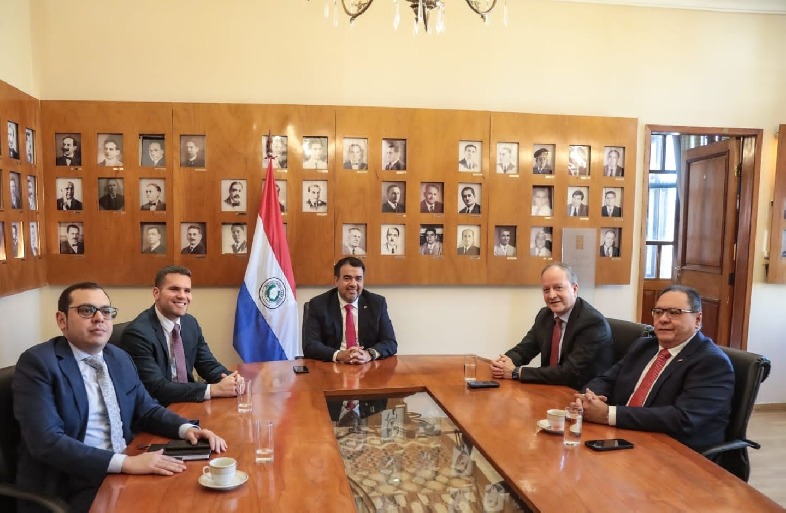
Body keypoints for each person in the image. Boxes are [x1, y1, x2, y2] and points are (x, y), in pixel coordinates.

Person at [13, 282, 227, 513]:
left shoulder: (118, 357)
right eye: (86, 310)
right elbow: (47, 442)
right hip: (74, 482)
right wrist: (127, 463)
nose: (99, 318)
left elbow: (147, 408)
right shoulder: (38, 364)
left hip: (125, 465)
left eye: (106, 311)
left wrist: (187, 429)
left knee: (196, 497)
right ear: (62, 320)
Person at [576, 285, 734, 452]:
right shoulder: (643, 347)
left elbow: (683, 419)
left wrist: (609, 414)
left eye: (674, 312)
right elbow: (606, 379)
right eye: (658, 312)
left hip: (674, 453)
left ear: (697, 320)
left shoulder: (711, 362)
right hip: (625, 437)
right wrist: (590, 398)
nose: (663, 319)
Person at [120, 266, 239, 405]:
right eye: (174, 289)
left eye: (187, 290)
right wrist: (213, 390)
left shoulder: (190, 323)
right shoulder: (137, 334)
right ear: (156, 293)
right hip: (158, 410)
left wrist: (232, 380)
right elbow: (156, 388)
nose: (182, 296)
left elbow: (208, 365)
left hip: (189, 402)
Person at [491, 263, 614, 390]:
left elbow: (569, 373)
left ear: (575, 289)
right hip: (550, 389)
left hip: (581, 396)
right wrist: (503, 364)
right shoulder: (545, 315)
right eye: (546, 290)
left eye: (558, 288)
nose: (552, 295)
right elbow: (524, 350)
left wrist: (517, 372)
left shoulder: (592, 323)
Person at [303, 257, 397, 363]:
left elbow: (390, 342)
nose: (353, 284)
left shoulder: (377, 303)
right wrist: (339, 355)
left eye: (358, 279)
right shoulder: (318, 304)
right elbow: (310, 345)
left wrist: (369, 354)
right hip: (332, 367)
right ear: (336, 280)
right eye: (347, 278)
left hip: (367, 368)